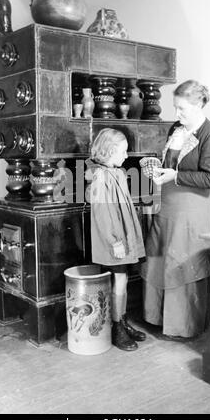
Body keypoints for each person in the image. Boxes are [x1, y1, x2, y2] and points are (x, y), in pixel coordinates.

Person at [141, 80, 210, 340]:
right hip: (167, 206)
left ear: (199, 105)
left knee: (182, 261)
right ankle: (155, 317)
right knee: (158, 258)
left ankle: (183, 325)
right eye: (175, 107)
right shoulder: (175, 129)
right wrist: (156, 168)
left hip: (191, 211)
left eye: (182, 109)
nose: (177, 114)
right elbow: (172, 164)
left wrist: (174, 176)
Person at [85, 128, 147, 351]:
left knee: (123, 280)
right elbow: (103, 214)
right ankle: (116, 328)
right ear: (110, 151)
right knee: (119, 281)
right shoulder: (100, 176)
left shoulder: (118, 173)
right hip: (114, 240)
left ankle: (121, 321)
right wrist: (115, 241)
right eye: (123, 150)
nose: (127, 155)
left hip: (124, 236)